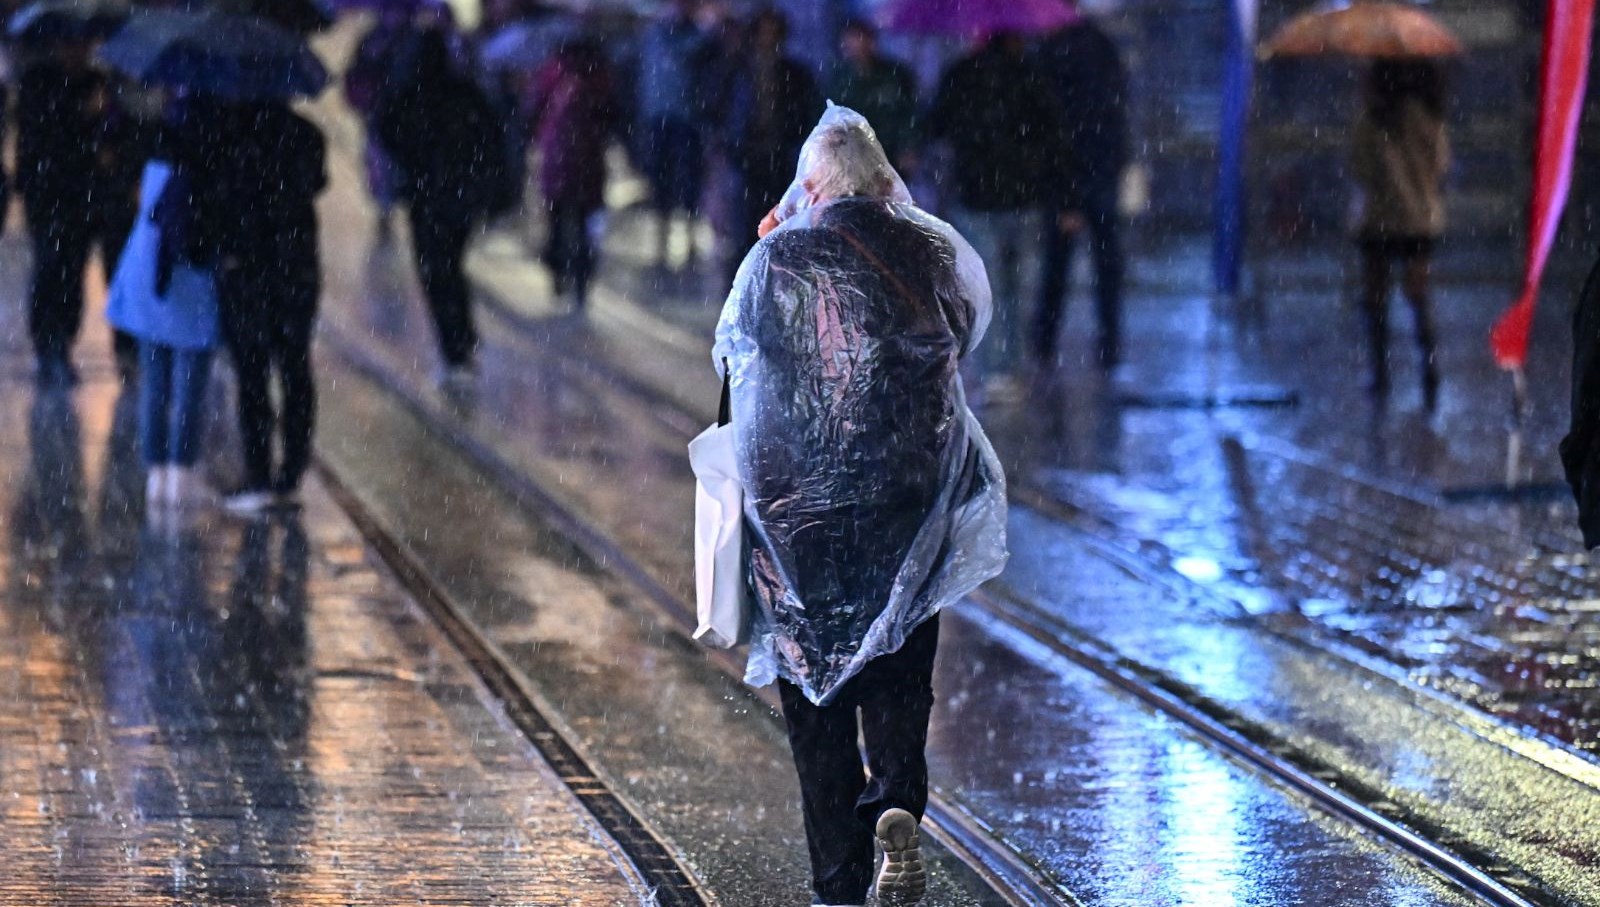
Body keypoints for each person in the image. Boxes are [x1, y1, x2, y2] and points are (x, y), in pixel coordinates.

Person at [714, 105, 1008, 907]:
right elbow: (968, 329)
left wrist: (767, 238)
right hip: (907, 498)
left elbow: (734, 361)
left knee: (814, 695)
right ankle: (897, 802)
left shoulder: (776, 261)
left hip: (798, 516)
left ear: (812, 186)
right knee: (901, 667)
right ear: (885, 183)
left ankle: (839, 882)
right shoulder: (930, 249)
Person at [926, 32, 1068, 395]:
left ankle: (996, 370)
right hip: (1023, 196)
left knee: (986, 286)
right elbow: (1053, 132)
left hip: (977, 194)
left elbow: (937, 125)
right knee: (1016, 283)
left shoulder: (960, 74)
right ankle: (1013, 364)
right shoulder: (1029, 73)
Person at [204, 99, 328, 514]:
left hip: (247, 272)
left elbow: (217, 201)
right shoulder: (306, 135)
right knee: (294, 368)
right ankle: (291, 470)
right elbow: (316, 182)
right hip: (296, 270)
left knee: (253, 374)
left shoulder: (227, 135)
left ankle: (259, 473)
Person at [374, 26, 509, 386]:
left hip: (428, 199)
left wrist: (413, 166)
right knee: (449, 266)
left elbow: (385, 128)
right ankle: (459, 338)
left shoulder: (410, 97)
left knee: (437, 271)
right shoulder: (463, 94)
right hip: (458, 199)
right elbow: (492, 141)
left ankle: (455, 342)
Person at [105, 107, 222, 513]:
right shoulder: (217, 162)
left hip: (151, 282)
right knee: (190, 386)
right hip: (195, 287)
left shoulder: (158, 152)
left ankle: (156, 475)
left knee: (154, 383)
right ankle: (181, 475)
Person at [1350, 58, 1449, 405]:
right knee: (1419, 298)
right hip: (1420, 221)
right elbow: (1441, 165)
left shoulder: (1371, 121)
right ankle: (1430, 371)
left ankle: (1380, 375)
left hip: (1379, 222)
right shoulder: (1428, 119)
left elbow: (1359, 170)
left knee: (1376, 301)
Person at [1033, 14, 1128, 369]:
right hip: (1098, 172)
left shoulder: (1054, 51)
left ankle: (1045, 341)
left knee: (1057, 265)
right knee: (1104, 264)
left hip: (1073, 175)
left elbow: (1057, 126)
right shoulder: (1099, 45)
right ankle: (1108, 343)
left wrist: (1065, 192)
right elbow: (1111, 114)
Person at [14, 39, 110, 388]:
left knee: (73, 268)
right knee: (50, 263)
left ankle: (63, 342)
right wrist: (78, 111)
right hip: (47, 193)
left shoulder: (96, 83)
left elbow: (103, 135)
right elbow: (39, 132)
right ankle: (46, 344)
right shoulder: (38, 81)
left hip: (83, 195)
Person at [723, 8, 821, 285]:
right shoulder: (739, 70)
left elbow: (803, 113)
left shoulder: (794, 73)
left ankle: (771, 280)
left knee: (779, 223)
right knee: (744, 224)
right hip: (747, 156)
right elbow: (722, 109)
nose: (767, 38)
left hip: (778, 157)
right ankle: (744, 281)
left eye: (772, 32)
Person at [528, 36, 617, 310]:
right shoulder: (599, 75)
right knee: (581, 223)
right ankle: (579, 278)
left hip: (558, 161)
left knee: (557, 220)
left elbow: (533, 108)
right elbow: (613, 114)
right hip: (587, 163)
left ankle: (558, 272)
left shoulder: (553, 72)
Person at [637, 0, 710, 268]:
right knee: (660, 182)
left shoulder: (700, 38)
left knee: (688, 182)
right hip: (658, 118)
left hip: (686, 120)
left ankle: (689, 242)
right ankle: (661, 244)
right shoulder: (653, 35)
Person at [344, 6, 415, 242]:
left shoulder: (416, 39)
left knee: (396, 163)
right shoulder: (375, 39)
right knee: (382, 163)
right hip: (381, 114)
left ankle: (395, 202)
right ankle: (386, 207)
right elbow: (356, 73)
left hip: (406, 115)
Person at [825, 19, 918, 173]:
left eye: (862, 39)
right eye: (852, 40)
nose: (858, 46)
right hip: (849, 154)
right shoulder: (838, 78)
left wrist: (909, 145)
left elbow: (908, 112)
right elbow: (826, 115)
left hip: (888, 149)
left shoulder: (894, 74)